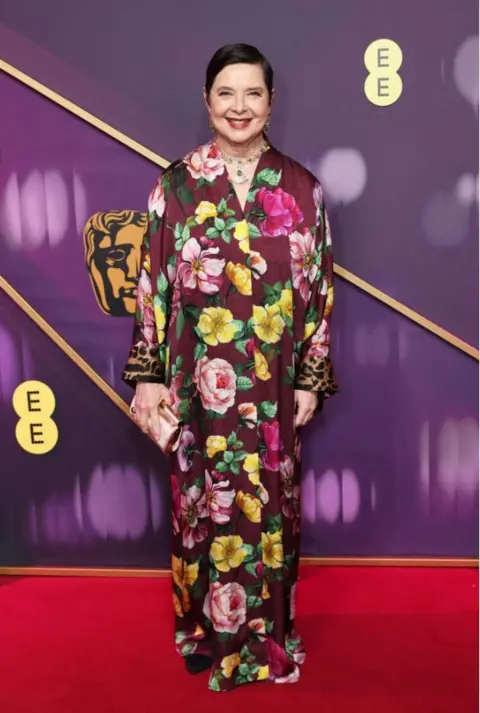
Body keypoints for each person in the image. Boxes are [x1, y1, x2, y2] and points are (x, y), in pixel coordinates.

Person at [123, 43, 338, 692]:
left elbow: (318, 289)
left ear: (271, 103)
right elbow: (151, 283)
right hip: (196, 387)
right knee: (201, 509)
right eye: (226, 93)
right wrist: (149, 372)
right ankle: (200, 631)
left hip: (271, 389)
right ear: (207, 101)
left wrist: (310, 377)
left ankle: (266, 640)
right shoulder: (176, 184)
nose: (239, 106)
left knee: (268, 509)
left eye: (252, 93)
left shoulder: (303, 188)